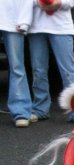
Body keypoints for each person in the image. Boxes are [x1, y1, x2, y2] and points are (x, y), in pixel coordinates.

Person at [28, 0, 74, 122]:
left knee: (68, 71)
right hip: (36, 27)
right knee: (38, 70)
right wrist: (37, 2)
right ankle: (40, 109)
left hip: (61, 27)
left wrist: (60, 3)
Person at [0, 0, 33, 128]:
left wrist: (24, 21)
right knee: (17, 66)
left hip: (11, 21)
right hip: (11, 21)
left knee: (16, 66)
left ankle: (21, 111)